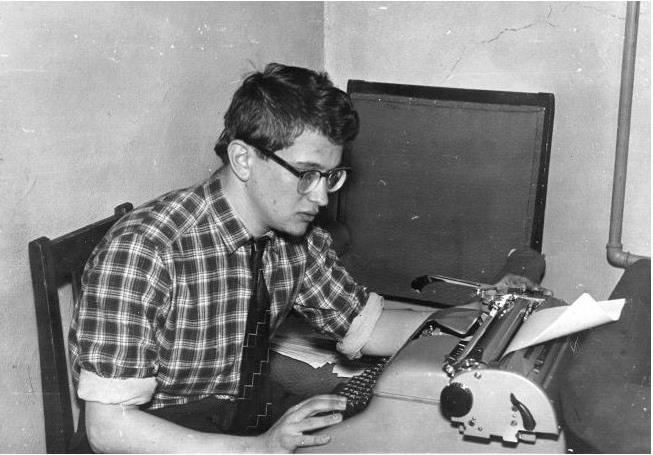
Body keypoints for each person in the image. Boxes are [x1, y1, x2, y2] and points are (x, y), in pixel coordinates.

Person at [69, 62, 542, 453]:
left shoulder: (295, 237)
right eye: (307, 174)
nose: (320, 197)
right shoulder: (146, 250)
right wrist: (257, 449)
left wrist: (484, 314)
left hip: (243, 414)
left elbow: (370, 326)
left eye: (331, 176)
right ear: (244, 159)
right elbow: (108, 430)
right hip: (165, 436)